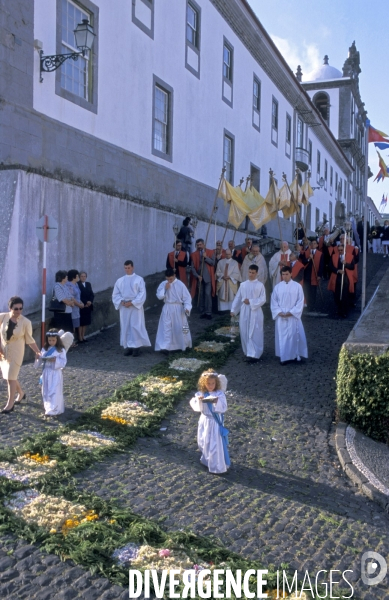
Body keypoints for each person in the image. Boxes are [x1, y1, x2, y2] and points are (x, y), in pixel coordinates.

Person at [0, 297, 41, 413]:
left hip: (17, 352)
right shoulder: (3, 317)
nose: (18, 311)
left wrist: (37, 351)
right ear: (10, 308)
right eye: (16, 309)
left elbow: (30, 339)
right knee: (9, 376)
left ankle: (10, 403)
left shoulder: (26, 322)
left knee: (10, 378)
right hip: (3, 352)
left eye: (20, 309)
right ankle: (21, 394)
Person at [189, 370, 230, 474]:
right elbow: (196, 408)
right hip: (204, 420)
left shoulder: (219, 394)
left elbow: (223, 408)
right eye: (208, 383)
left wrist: (216, 402)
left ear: (216, 383)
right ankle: (207, 460)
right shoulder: (200, 393)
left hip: (214, 421)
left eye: (213, 383)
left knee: (214, 443)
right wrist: (199, 400)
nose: (211, 386)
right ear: (204, 383)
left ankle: (217, 466)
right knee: (204, 441)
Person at [112, 260, 151, 357]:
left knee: (135, 326)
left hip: (135, 307)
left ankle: (136, 347)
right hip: (124, 306)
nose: (127, 270)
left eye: (129, 268)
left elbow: (142, 293)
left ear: (133, 267)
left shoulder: (139, 279)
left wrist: (133, 303)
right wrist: (121, 301)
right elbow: (115, 294)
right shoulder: (120, 280)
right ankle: (128, 346)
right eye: (125, 268)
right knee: (125, 326)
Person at [271, 266, 308, 365]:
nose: (285, 276)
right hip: (281, 316)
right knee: (283, 337)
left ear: (291, 274)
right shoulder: (277, 287)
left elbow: (300, 301)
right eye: (283, 274)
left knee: (294, 336)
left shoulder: (297, 286)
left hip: (293, 316)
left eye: (287, 274)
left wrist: (291, 312)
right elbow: (273, 302)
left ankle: (296, 355)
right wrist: (279, 312)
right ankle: (284, 357)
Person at [231, 264, 266, 363]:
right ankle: (248, 352)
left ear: (257, 273)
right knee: (245, 330)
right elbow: (238, 297)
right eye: (249, 272)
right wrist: (233, 310)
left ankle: (256, 353)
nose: (251, 274)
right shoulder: (243, 285)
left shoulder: (260, 285)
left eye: (253, 273)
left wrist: (250, 301)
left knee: (256, 332)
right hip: (245, 311)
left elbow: (263, 299)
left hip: (256, 311)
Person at [155, 268, 192, 352]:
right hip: (168, 307)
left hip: (178, 308)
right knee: (166, 327)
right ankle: (166, 346)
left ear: (174, 276)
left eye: (171, 279)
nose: (169, 280)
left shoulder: (180, 284)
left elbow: (187, 298)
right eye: (167, 279)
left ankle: (183, 344)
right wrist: (165, 289)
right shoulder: (163, 284)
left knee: (181, 327)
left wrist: (187, 308)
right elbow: (159, 296)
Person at [37, 329, 67, 418]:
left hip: (55, 372)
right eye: (49, 340)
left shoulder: (61, 350)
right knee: (46, 390)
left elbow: (63, 362)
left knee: (54, 390)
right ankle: (48, 407)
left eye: (53, 340)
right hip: (46, 372)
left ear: (57, 340)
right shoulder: (45, 349)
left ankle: (55, 408)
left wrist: (55, 360)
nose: (51, 342)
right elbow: (40, 360)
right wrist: (38, 357)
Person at [190, 238, 215, 319]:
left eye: (200, 245)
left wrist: (206, 257)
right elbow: (192, 267)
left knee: (207, 294)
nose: (199, 246)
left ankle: (208, 312)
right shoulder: (193, 254)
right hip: (199, 278)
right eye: (198, 245)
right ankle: (203, 311)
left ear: (204, 244)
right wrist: (197, 276)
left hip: (208, 278)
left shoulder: (211, 252)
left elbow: (213, 263)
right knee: (200, 295)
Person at [328, 243, 355, 318]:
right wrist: (337, 270)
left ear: (344, 249)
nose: (340, 251)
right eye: (338, 250)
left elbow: (352, 267)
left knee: (344, 295)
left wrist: (346, 264)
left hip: (345, 278)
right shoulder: (334, 256)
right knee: (336, 295)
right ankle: (338, 309)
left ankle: (344, 311)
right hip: (336, 278)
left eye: (341, 250)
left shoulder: (350, 256)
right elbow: (330, 266)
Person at [300, 240, 323, 312]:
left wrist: (319, 275)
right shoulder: (306, 253)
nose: (313, 245)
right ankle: (307, 304)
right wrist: (309, 258)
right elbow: (303, 261)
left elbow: (321, 265)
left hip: (315, 274)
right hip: (307, 274)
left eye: (314, 243)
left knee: (313, 290)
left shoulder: (320, 254)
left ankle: (312, 305)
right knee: (306, 290)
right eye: (311, 243)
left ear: (317, 245)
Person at [77, 271, 94, 343]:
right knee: (81, 322)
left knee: (86, 322)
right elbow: (78, 296)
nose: (83, 278)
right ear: (79, 277)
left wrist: (90, 301)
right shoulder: (77, 285)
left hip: (88, 306)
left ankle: (83, 335)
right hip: (81, 305)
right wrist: (85, 302)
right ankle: (80, 337)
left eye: (84, 276)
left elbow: (91, 294)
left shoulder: (88, 284)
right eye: (82, 276)